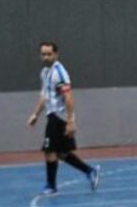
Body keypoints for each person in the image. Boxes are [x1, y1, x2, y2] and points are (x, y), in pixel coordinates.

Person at [26, 42, 100, 196]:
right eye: (43, 54)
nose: (46, 57)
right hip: (51, 115)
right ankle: (90, 171)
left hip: (58, 117)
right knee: (61, 153)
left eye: (49, 54)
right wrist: (36, 114)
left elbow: (68, 97)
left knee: (49, 151)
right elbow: (44, 96)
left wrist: (70, 120)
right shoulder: (45, 72)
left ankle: (51, 186)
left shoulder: (58, 72)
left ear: (56, 55)